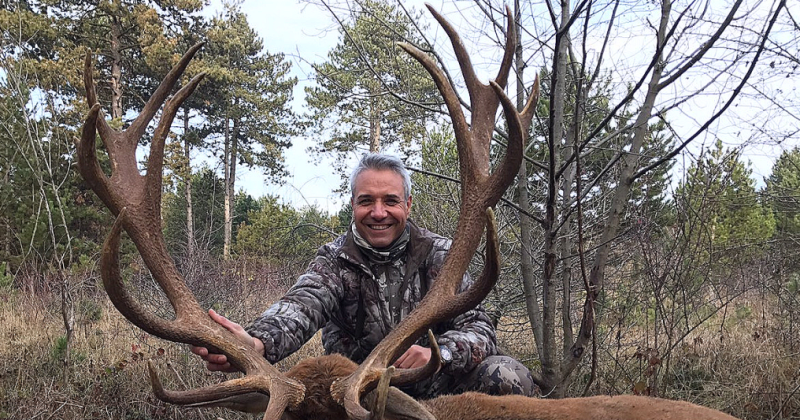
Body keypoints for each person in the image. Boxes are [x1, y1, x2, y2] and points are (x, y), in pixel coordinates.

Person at [192, 153, 535, 398]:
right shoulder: (335, 261)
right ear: (352, 205)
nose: (379, 212)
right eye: (367, 201)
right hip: (361, 394)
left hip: (440, 385)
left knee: (507, 375)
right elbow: (300, 307)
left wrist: (438, 354)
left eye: (390, 200)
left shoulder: (442, 254)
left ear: (408, 204)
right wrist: (256, 343)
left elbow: (479, 329)